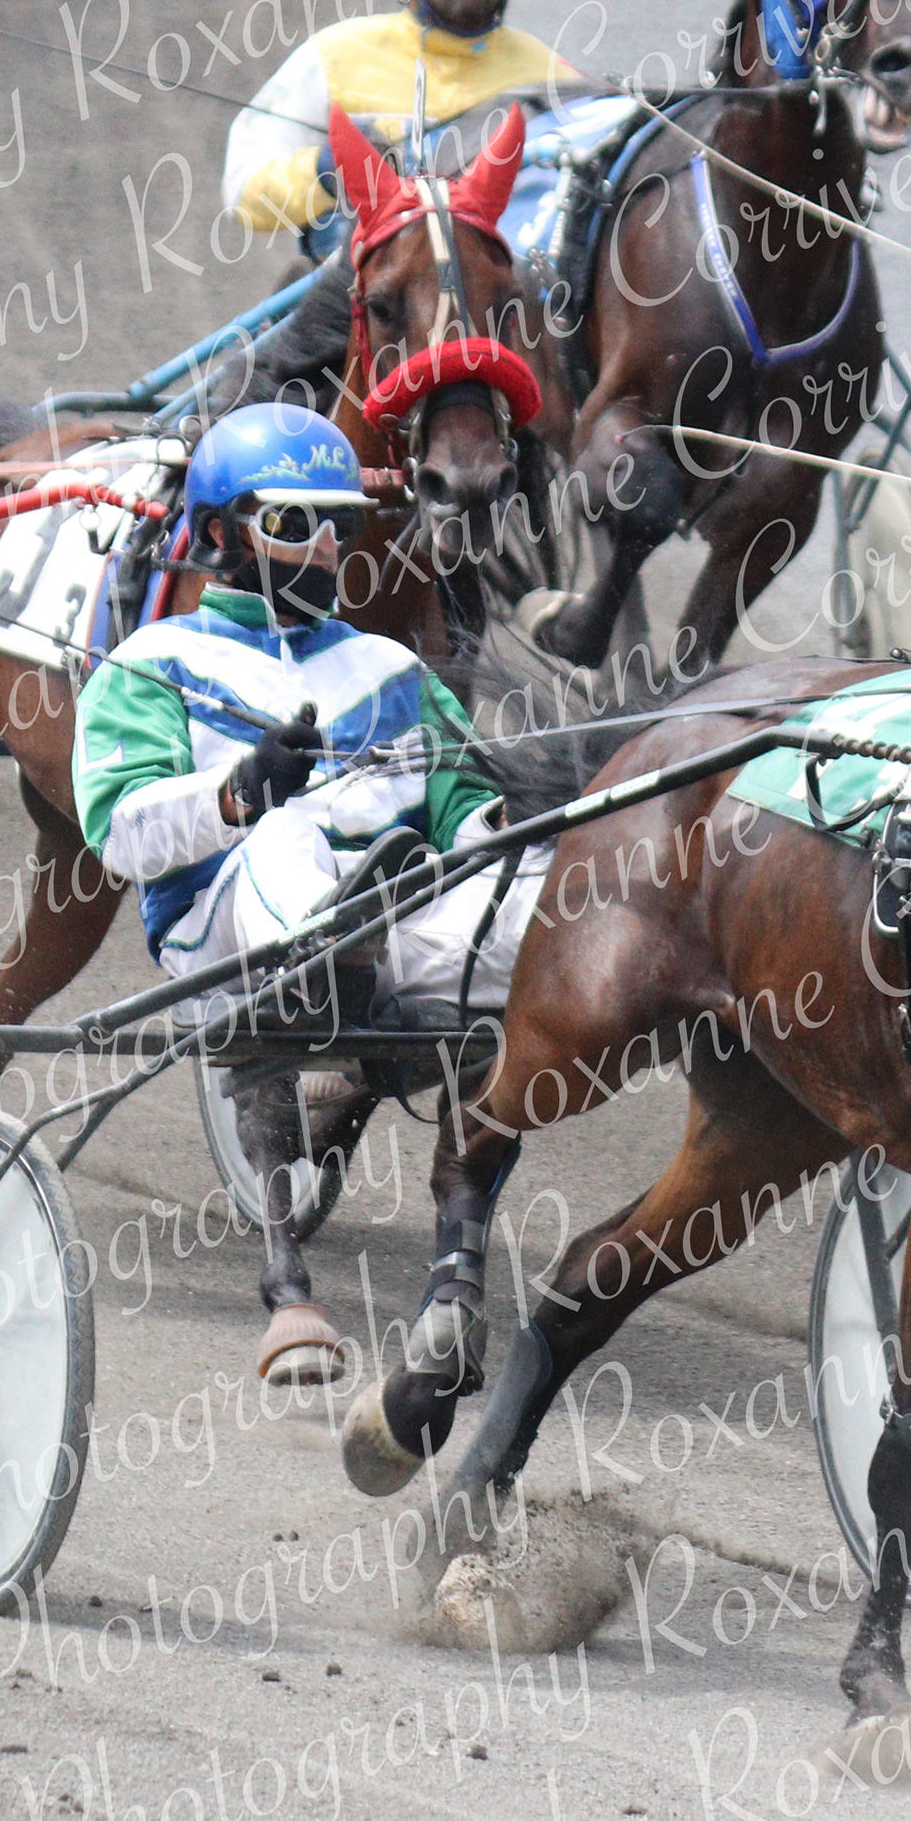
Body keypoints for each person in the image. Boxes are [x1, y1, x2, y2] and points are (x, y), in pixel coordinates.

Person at [72, 403, 535, 1386]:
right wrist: (237, 793)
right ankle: (287, 1287)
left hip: (394, 924)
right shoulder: (153, 664)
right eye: (295, 523)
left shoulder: (392, 669)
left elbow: (467, 809)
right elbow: (118, 831)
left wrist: (509, 847)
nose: (326, 547)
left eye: (341, 525)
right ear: (219, 533)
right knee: (288, 836)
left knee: (526, 893)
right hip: (227, 935)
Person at [218, 0, 607, 404]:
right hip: (363, 304)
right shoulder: (334, 58)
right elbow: (244, 191)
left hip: (501, 311)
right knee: (254, 403)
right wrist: (323, 174)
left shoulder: (554, 78)